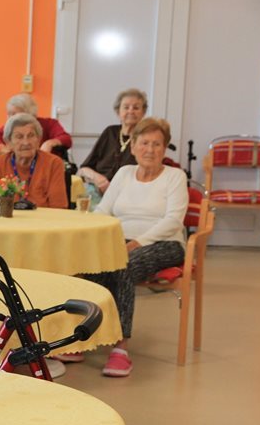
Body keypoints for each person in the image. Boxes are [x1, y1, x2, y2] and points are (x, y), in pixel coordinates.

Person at [60, 118, 188, 377]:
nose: (150, 149)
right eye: (144, 143)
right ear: (133, 146)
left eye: (157, 144)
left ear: (165, 148)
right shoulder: (124, 173)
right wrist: (93, 233)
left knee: (124, 266)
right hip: (120, 240)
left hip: (165, 242)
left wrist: (136, 243)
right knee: (90, 265)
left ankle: (121, 348)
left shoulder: (175, 176)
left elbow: (173, 221)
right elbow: (103, 210)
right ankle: (83, 337)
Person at [77, 88, 148, 205]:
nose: (131, 111)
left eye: (136, 108)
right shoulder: (109, 132)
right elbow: (84, 169)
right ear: (118, 111)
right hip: (97, 190)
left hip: (128, 194)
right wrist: (98, 179)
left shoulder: (145, 138)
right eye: (126, 107)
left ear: (143, 112)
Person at [0, 113, 69, 209]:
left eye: (31, 136)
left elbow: (58, 207)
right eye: (19, 137)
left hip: (44, 218)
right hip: (8, 217)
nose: (26, 142)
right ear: (8, 142)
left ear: (38, 139)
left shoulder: (53, 163)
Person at [0, 93, 72, 154]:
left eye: (14, 114)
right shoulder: (11, 126)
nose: (10, 118)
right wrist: (2, 147)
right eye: (8, 114)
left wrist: (50, 143)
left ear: (30, 113)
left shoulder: (49, 124)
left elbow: (66, 138)